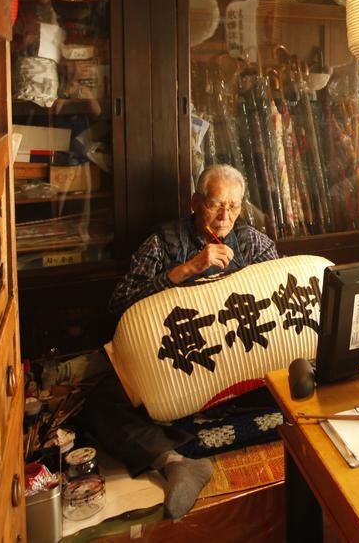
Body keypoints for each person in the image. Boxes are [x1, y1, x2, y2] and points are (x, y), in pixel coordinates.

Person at [82, 164, 278, 520]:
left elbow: (278, 305)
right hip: (177, 367)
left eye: (234, 206)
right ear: (195, 202)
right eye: (216, 204)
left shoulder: (253, 243)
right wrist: (185, 270)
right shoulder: (163, 243)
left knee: (302, 373)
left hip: (237, 366)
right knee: (101, 402)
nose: (225, 216)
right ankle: (175, 463)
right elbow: (119, 303)